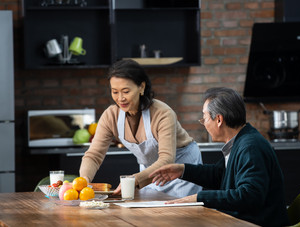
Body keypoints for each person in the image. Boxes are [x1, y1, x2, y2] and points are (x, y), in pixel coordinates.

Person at [150, 87, 289, 227]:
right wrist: (183, 170)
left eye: (204, 118)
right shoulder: (242, 141)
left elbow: (249, 197)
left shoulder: (250, 147)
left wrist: (199, 197)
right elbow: (220, 174)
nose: (204, 124)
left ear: (218, 119)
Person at [79, 59, 202, 197]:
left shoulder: (162, 113)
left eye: (126, 91)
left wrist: (135, 180)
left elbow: (167, 159)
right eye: (115, 92)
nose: (120, 98)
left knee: (180, 215)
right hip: (149, 172)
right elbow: (94, 155)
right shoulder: (111, 116)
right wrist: (83, 181)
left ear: (141, 87)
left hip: (181, 170)